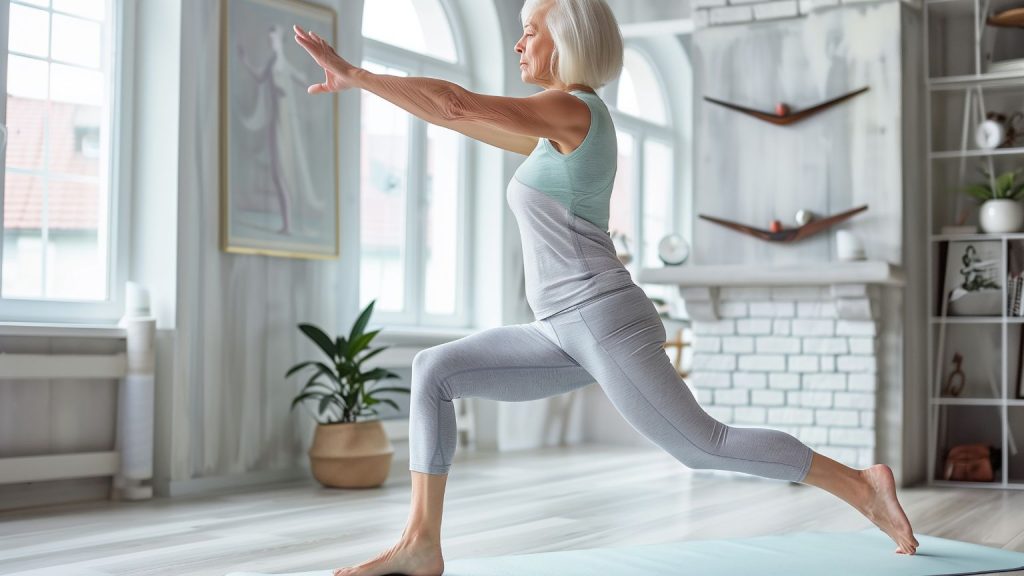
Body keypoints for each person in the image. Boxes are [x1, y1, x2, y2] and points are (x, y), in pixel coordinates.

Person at [293, 1, 918, 574]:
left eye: (529, 32)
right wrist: (366, 86)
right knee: (434, 370)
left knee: (705, 447)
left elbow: (456, 102)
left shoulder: (576, 111)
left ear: (564, 41)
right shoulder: (551, 130)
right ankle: (421, 543)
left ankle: (862, 486)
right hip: (561, 327)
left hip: (600, 316)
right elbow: (453, 116)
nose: (517, 45)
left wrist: (359, 74)